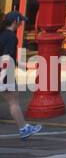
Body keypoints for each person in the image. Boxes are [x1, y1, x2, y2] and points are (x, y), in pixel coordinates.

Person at [1, 11, 40, 139]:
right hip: (6, 74)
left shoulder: (2, 35)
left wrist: (20, 65)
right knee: (14, 102)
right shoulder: (12, 37)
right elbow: (6, 57)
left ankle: (24, 127)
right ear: (15, 22)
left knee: (13, 101)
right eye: (20, 21)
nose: (21, 24)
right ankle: (23, 128)